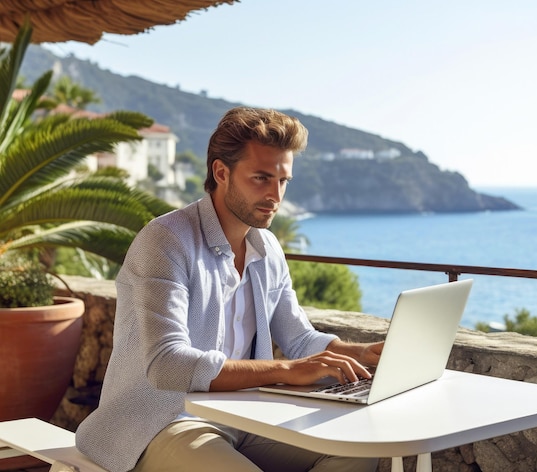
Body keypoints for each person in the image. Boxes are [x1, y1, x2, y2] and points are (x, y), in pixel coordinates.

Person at [76, 107, 383, 472]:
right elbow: (167, 365)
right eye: (260, 178)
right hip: (163, 421)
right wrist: (285, 369)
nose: (275, 195)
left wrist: (364, 352)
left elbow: (299, 339)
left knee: (357, 453)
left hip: (243, 417)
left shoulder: (267, 249)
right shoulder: (165, 241)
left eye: (283, 181)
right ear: (221, 172)